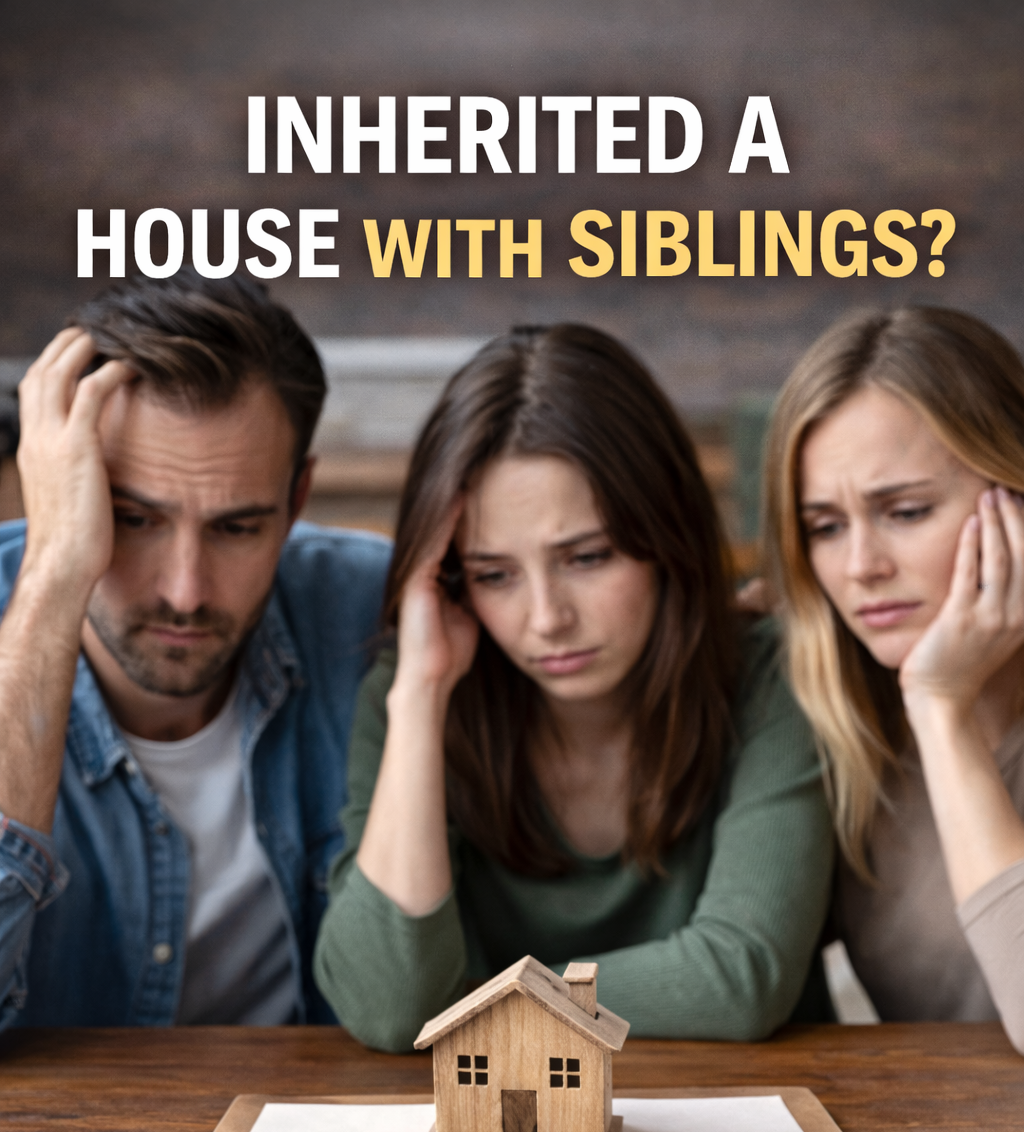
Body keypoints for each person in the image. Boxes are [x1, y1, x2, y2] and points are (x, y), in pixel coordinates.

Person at [313, 323, 834, 1049]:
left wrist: (471, 1002)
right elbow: (389, 1009)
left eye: (587, 557)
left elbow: (740, 980)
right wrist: (421, 695)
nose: (547, 619)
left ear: (667, 537)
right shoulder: (410, 697)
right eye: (494, 574)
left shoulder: (770, 673)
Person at [0, 270, 389, 1029]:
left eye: (237, 528)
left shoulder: (370, 615)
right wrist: (52, 576)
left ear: (297, 500)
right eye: (133, 519)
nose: (184, 589)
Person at [763, 305, 1024, 1053]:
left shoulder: (918, 703)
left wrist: (941, 706)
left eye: (905, 511)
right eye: (825, 527)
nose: (861, 568)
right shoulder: (827, 710)